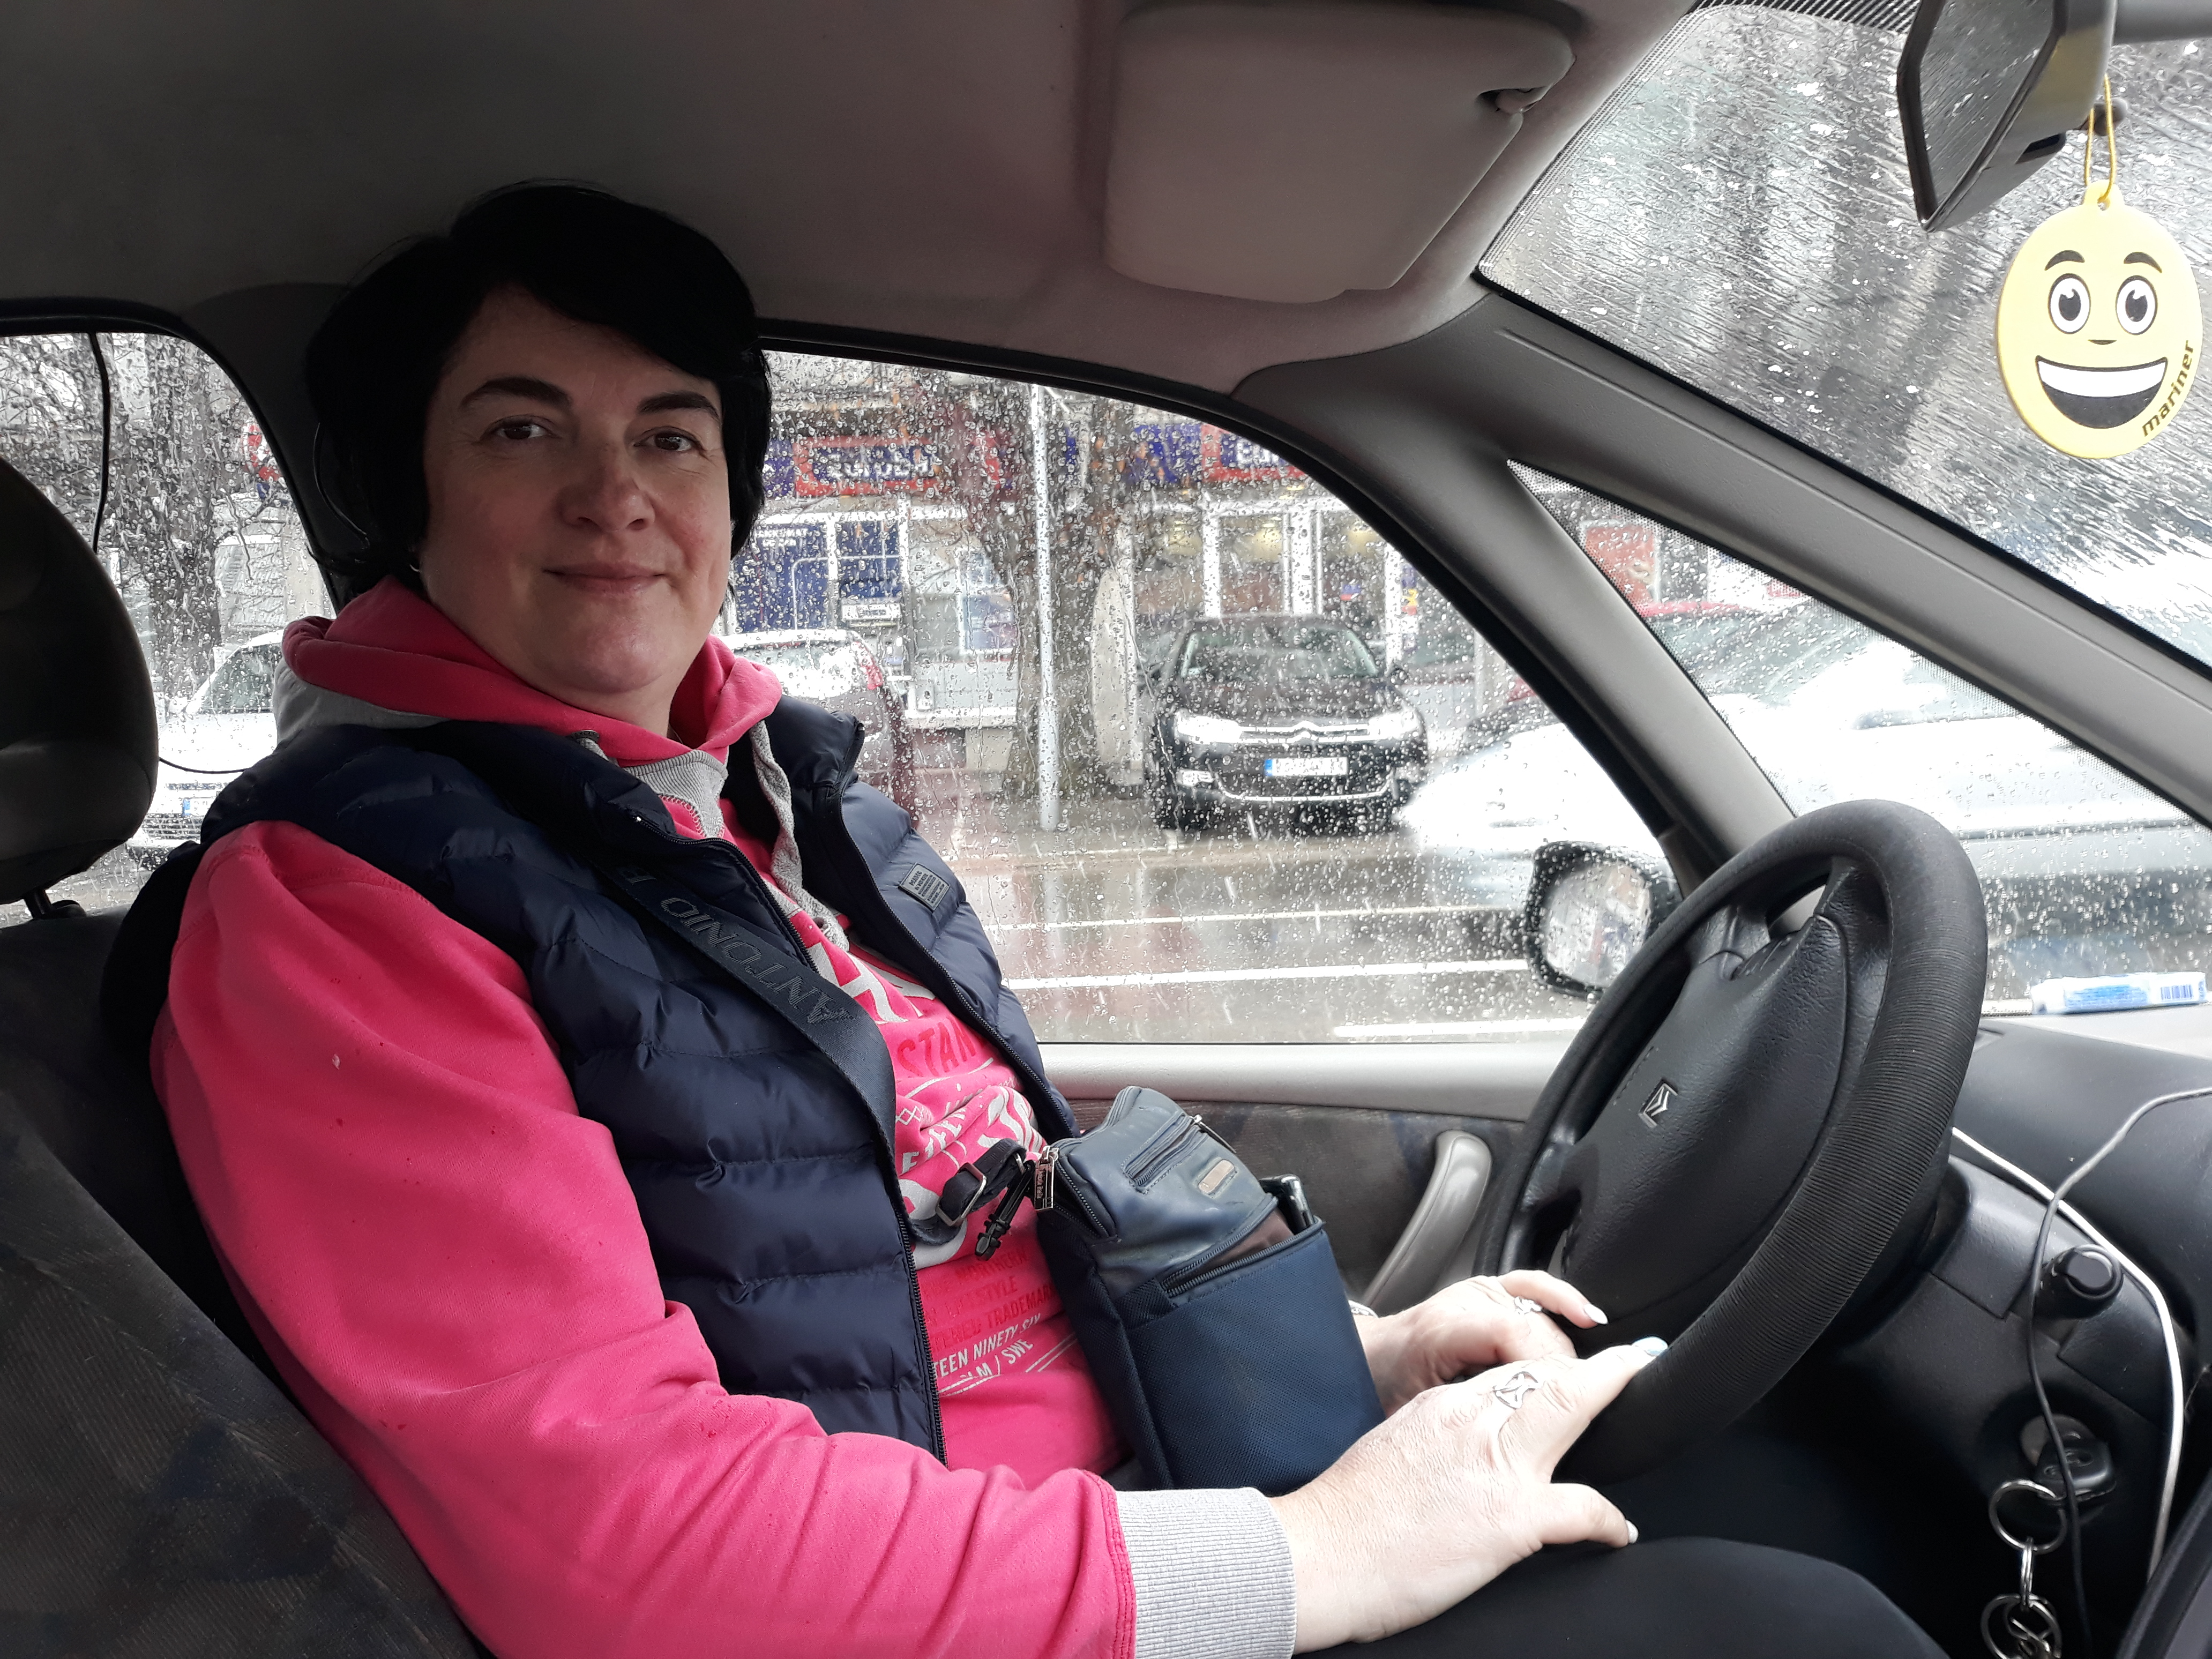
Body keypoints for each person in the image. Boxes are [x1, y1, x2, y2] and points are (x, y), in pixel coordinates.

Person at [148, 184, 1942, 1659]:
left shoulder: (779, 804)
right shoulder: (332, 909)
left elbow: (999, 1235)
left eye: (671, 435)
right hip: (976, 1608)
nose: (615, 492)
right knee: (1810, 1628)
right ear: (408, 501)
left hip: (1127, 1523)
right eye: (522, 427)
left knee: (1781, 1518)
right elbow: (617, 1538)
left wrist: (1356, 1365)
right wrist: (1309, 1558)